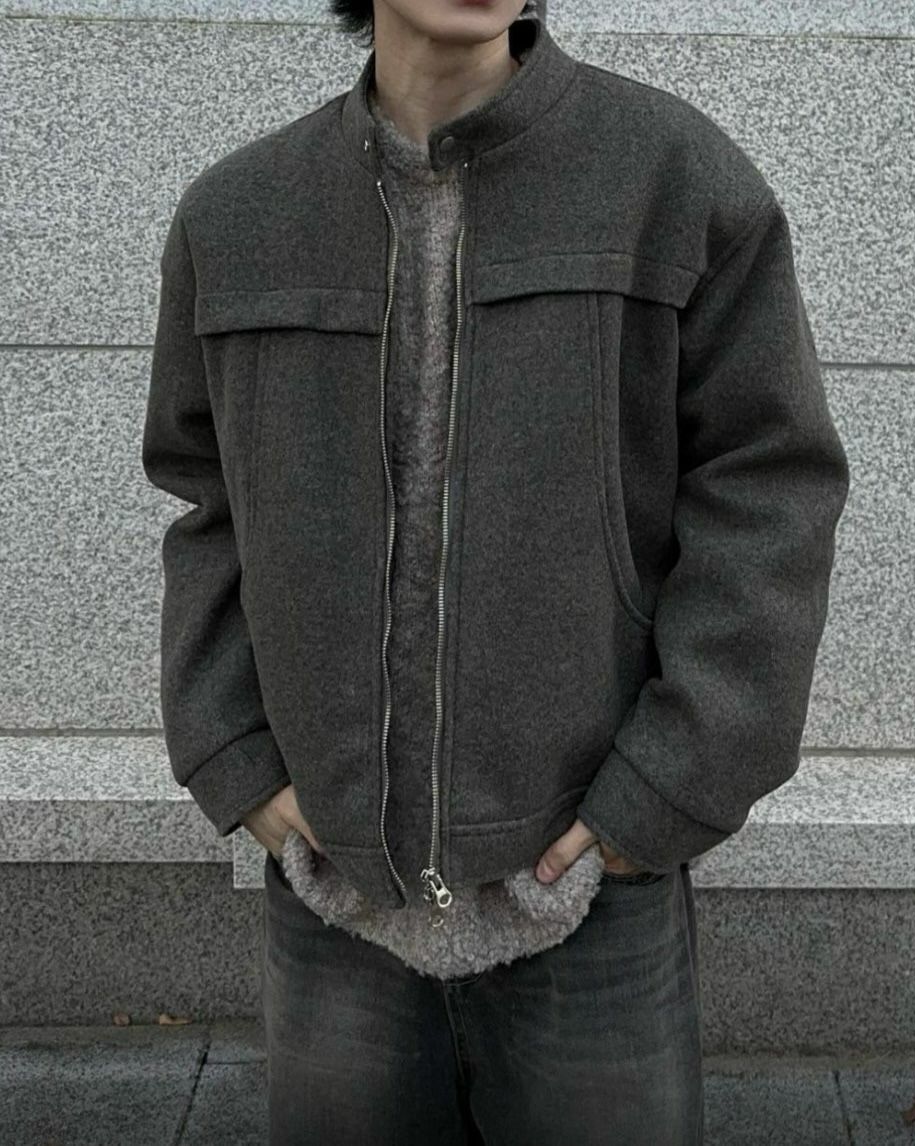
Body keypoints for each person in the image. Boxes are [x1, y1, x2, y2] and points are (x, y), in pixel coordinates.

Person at [141, 0, 851, 1141]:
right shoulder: (240, 213)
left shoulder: (672, 181)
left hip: (588, 889)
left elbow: (770, 489)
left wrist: (661, 792)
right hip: (337, 892)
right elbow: (205, 496)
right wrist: (232, 753)